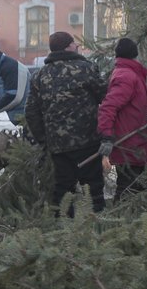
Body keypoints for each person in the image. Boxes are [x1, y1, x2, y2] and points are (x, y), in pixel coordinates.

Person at [24, 31, 108, 216]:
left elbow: (31, 112)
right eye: (74, 43)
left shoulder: (39, 76)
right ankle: (98, 229)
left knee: (63, 189)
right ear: (68, 46)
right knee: (93, 188)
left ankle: (62, 230)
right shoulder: (86, 69)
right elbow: (106, 97)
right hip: (87, 141)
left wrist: (44, 140)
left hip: (58, 145)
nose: (77, 46)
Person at [96, 37, 147, 203]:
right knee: (128, 189)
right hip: (128, 143)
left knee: (141, 187)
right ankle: (120, 221)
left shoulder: (130, 73)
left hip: (136, 141)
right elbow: (108, 107)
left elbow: (141, 100)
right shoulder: (126, 75)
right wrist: (106, 137)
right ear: (135, 54)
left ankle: (138, 222)